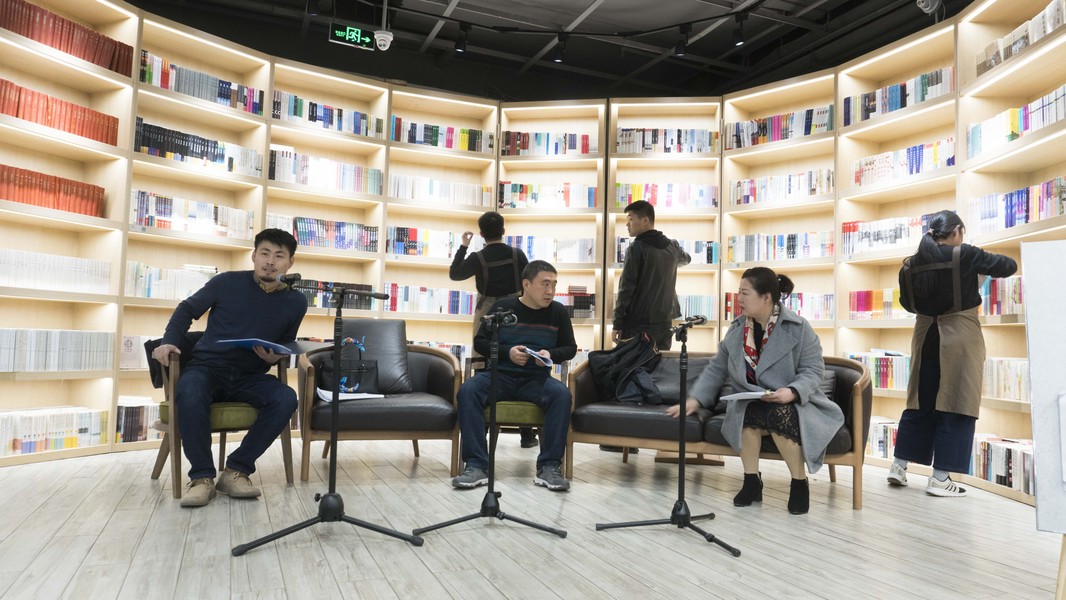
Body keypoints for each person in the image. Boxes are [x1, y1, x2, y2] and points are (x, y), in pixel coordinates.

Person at [151, 228, 307, 508]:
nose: (270, 262)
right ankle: (201, 478)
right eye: (265, 253)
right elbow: (186, 309)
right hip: (208, 368)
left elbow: (285, 342)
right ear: (254, 256)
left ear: (290, 262)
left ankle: (236, 471)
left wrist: (275, 358)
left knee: (286, 398)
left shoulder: (297, 301)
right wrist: (169, 341)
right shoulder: (226, 283)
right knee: (189, 388)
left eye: (279, 256)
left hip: (251, 376)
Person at [667, 267, 843, 515]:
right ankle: (751, 481)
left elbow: (813, 370)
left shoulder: (799, 327)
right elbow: (717, 368)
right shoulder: (737, 329)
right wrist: (695, 399)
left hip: (793, 401)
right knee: (748, 414)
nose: (739, 298)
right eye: (739, 292)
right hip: (751, 399)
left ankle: (799, 483)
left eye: (745, 293)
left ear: (766, 297)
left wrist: (792, 391)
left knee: (778, 414)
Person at [889, 210, 1017, 497]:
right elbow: (1008, 266)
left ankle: (898, 466)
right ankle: (940, 479)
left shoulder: (910, 264)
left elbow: (908, 304)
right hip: (959, 335)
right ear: (957, 231)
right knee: (958, 402)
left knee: (920, 401)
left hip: (925, 336)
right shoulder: (965, 254)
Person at [451, 260, 577, 491]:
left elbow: (570, 348)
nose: (550, 290)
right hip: (500, 376)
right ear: (526, 284)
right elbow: (480, 341)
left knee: (562, 395)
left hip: (536, 379)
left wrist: (550, 354)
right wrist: (507, 352)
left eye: (554, 284)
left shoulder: (558, 312)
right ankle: (476, 465)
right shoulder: (503, 307)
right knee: (468, 390)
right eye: (545, 284)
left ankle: (549, 467)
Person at [605, 200, 690, 453]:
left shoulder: (638, 247)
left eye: (630, 219)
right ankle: (654, 433)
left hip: (638, 323)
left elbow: (626, 289)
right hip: (665, 323)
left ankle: (626, 440)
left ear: (645, 220)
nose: (627, 224)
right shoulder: (672, 246)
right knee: (656, 376)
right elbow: (686, 258)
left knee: (628, 375)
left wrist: (618, 322)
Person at [449, 211, 537, 448]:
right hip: (517, 310)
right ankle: (527, 434)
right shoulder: (517, 254)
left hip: (487, 311)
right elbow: (530, 279)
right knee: (519, 362)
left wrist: (463, 246)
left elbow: (455, 274)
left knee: (485, 363)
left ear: (481, 234)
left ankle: (484, 430)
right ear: (503, 231)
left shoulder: (478, 257)